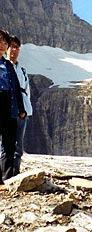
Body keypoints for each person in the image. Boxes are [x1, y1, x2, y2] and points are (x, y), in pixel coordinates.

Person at [0, 30, 26, 190]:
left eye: (5, 43)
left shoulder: (8, 65)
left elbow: (16, 88)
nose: (2, 45)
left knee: (9, 145)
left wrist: (21, 108)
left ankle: (6, 180)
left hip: (9, 108)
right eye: (0, 42)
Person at [6, 35, 32, 176]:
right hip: (7, 110)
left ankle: (15, 175)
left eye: (17, 47)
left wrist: (26, 109)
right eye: (11, 47)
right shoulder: (3, 67)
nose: (14, 50)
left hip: (23, 112)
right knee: (5, 145)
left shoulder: (22, 71)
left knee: (18, 145)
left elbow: (26, 91)